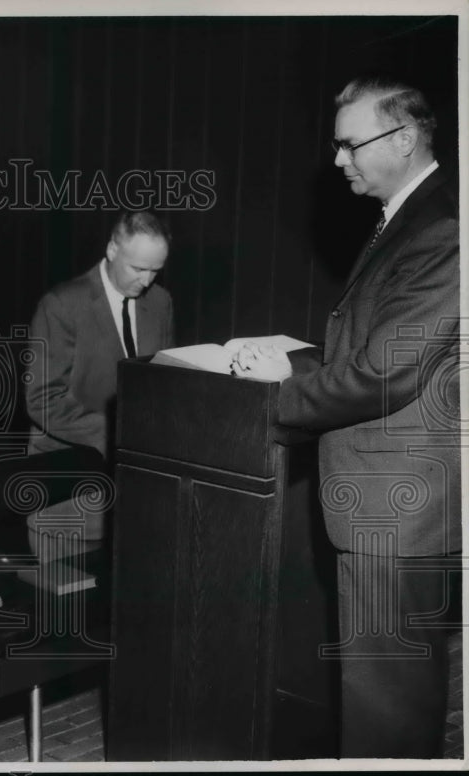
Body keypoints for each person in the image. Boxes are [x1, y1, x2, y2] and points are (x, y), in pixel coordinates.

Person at [231, 76, 459, 758]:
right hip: (388, 499)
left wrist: (271, 403)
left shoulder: (443, 228)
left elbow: (386, 373)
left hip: (393, 507)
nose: (337, 161)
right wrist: (298, 365)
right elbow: (378, 353)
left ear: (405, 138)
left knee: (387, 711)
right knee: (385, 700)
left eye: (348, 144)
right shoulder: (412, 217)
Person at [26, 210, 174, 458]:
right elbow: (43, 399)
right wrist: (123, 437)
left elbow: (166, 383)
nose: (147, 281)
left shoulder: (161, 303)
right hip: (68, 462)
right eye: (138, 268)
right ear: (112, 250)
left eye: (155, 270)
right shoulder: (61, 305)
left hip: (139, 461)